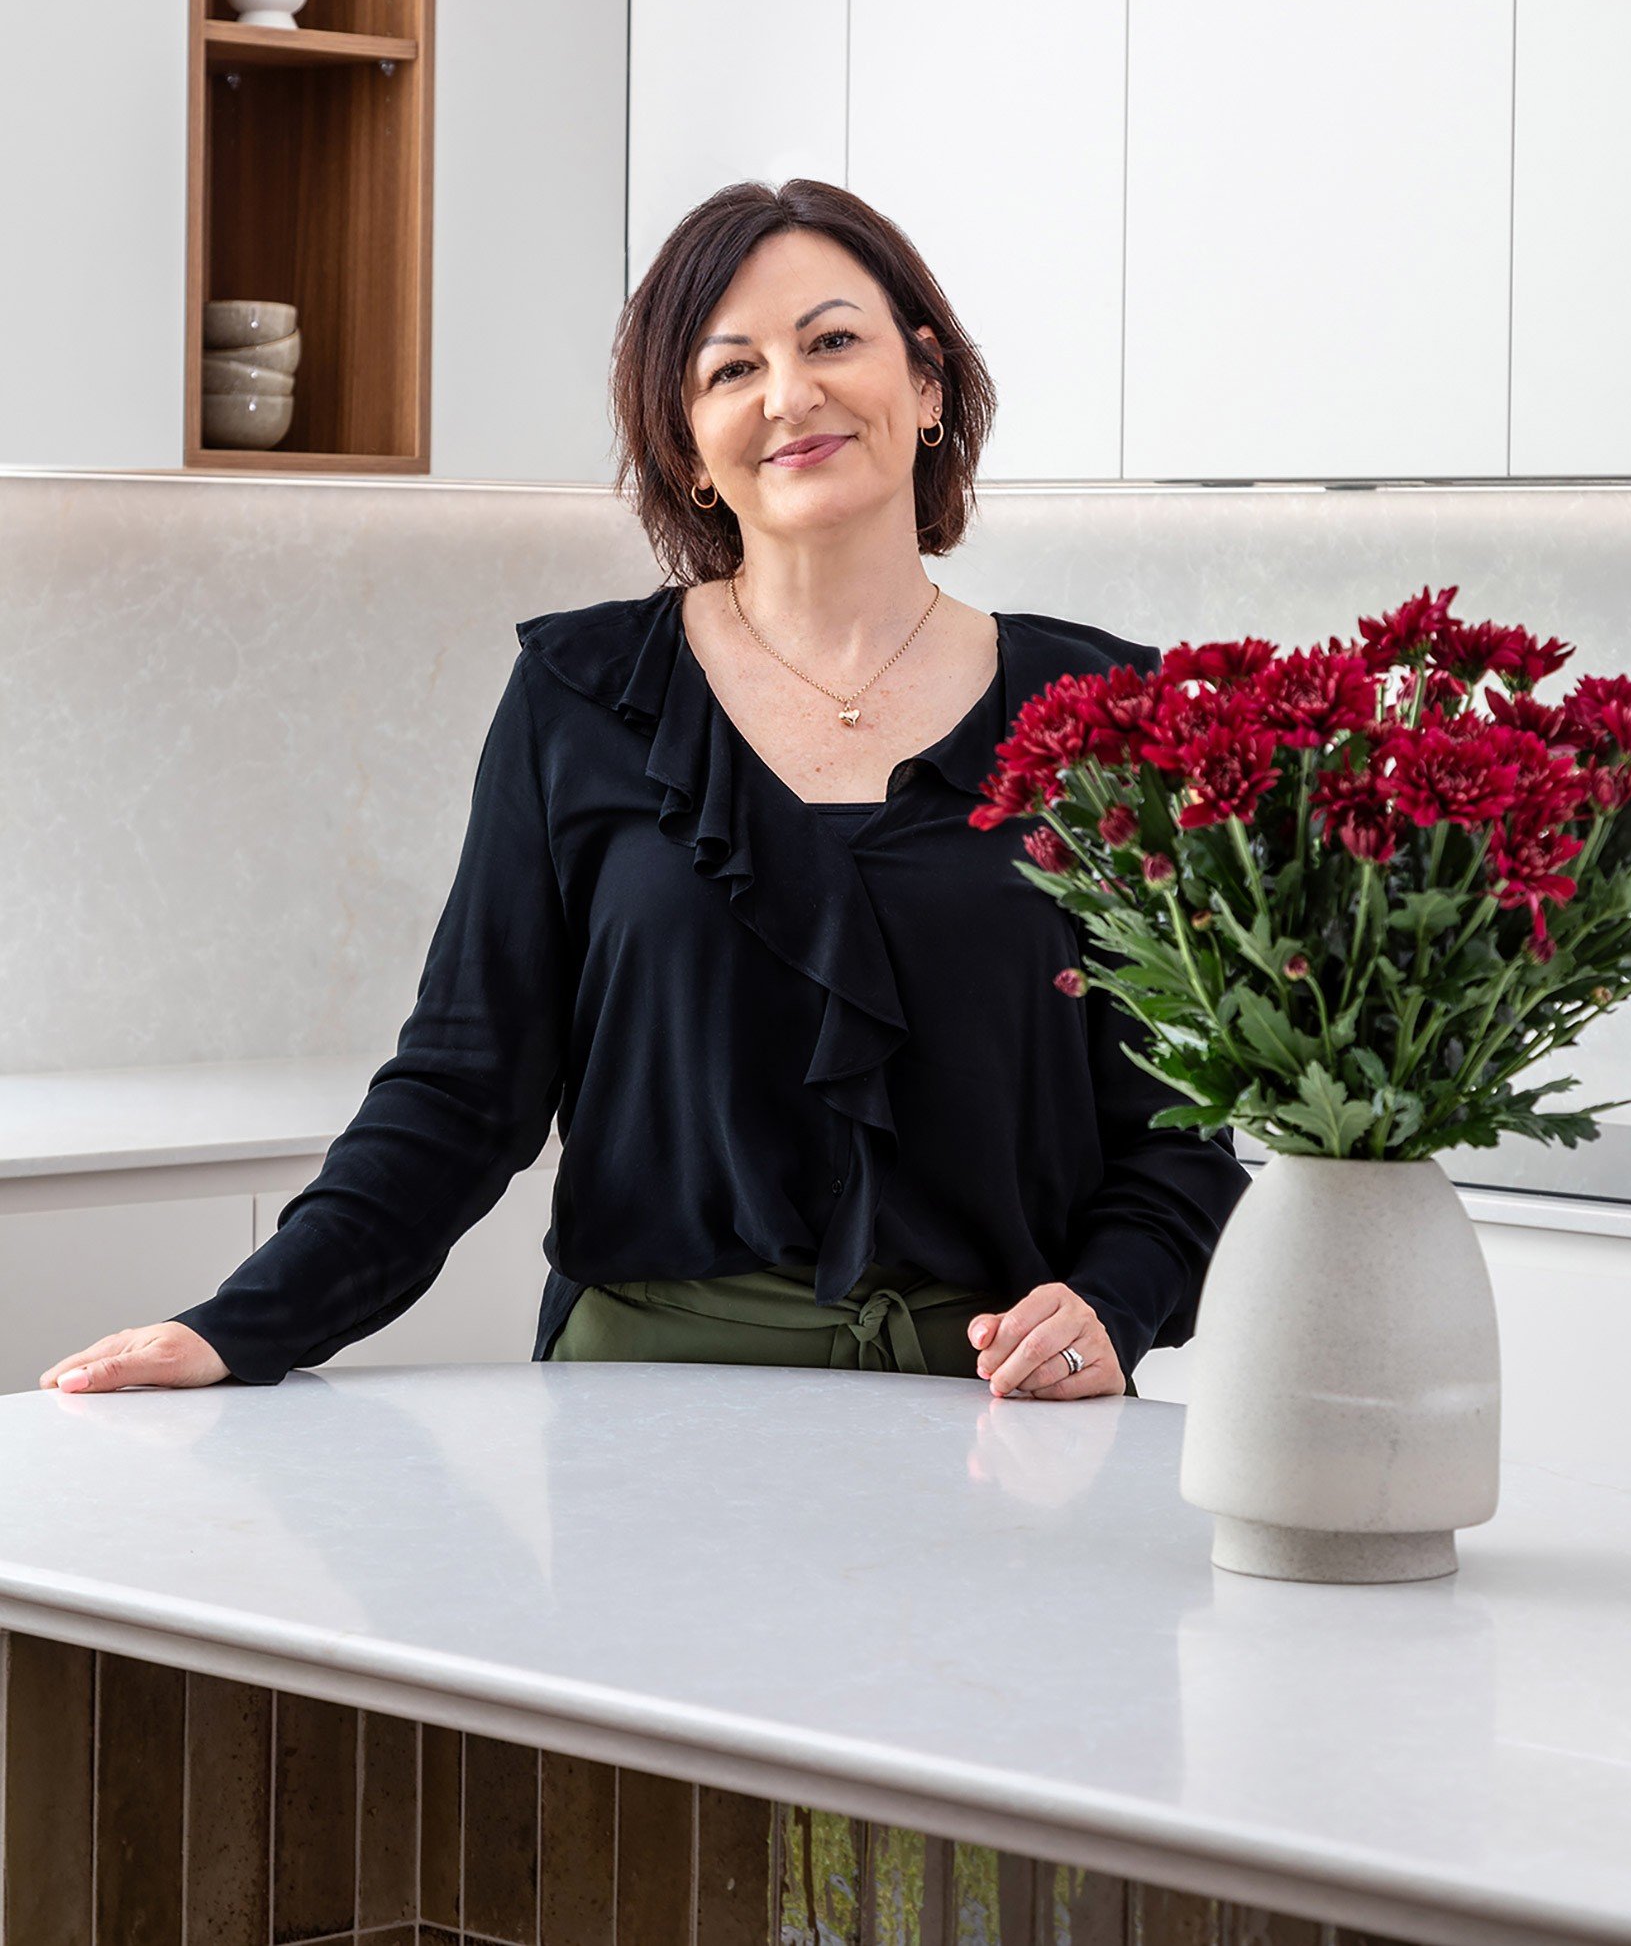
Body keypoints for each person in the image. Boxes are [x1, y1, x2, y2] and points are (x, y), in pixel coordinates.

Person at [39, 177, 1248, 1403]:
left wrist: (1110, 1306)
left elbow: (1182, 1125)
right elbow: (461, 1093)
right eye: (732, 369)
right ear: (687, 447)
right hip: (639, 1399)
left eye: (832, 341)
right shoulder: (577, 698)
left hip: (996, 1409)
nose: (790, 394)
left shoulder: (1101, 717)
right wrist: (240, 1327)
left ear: (926, 381)